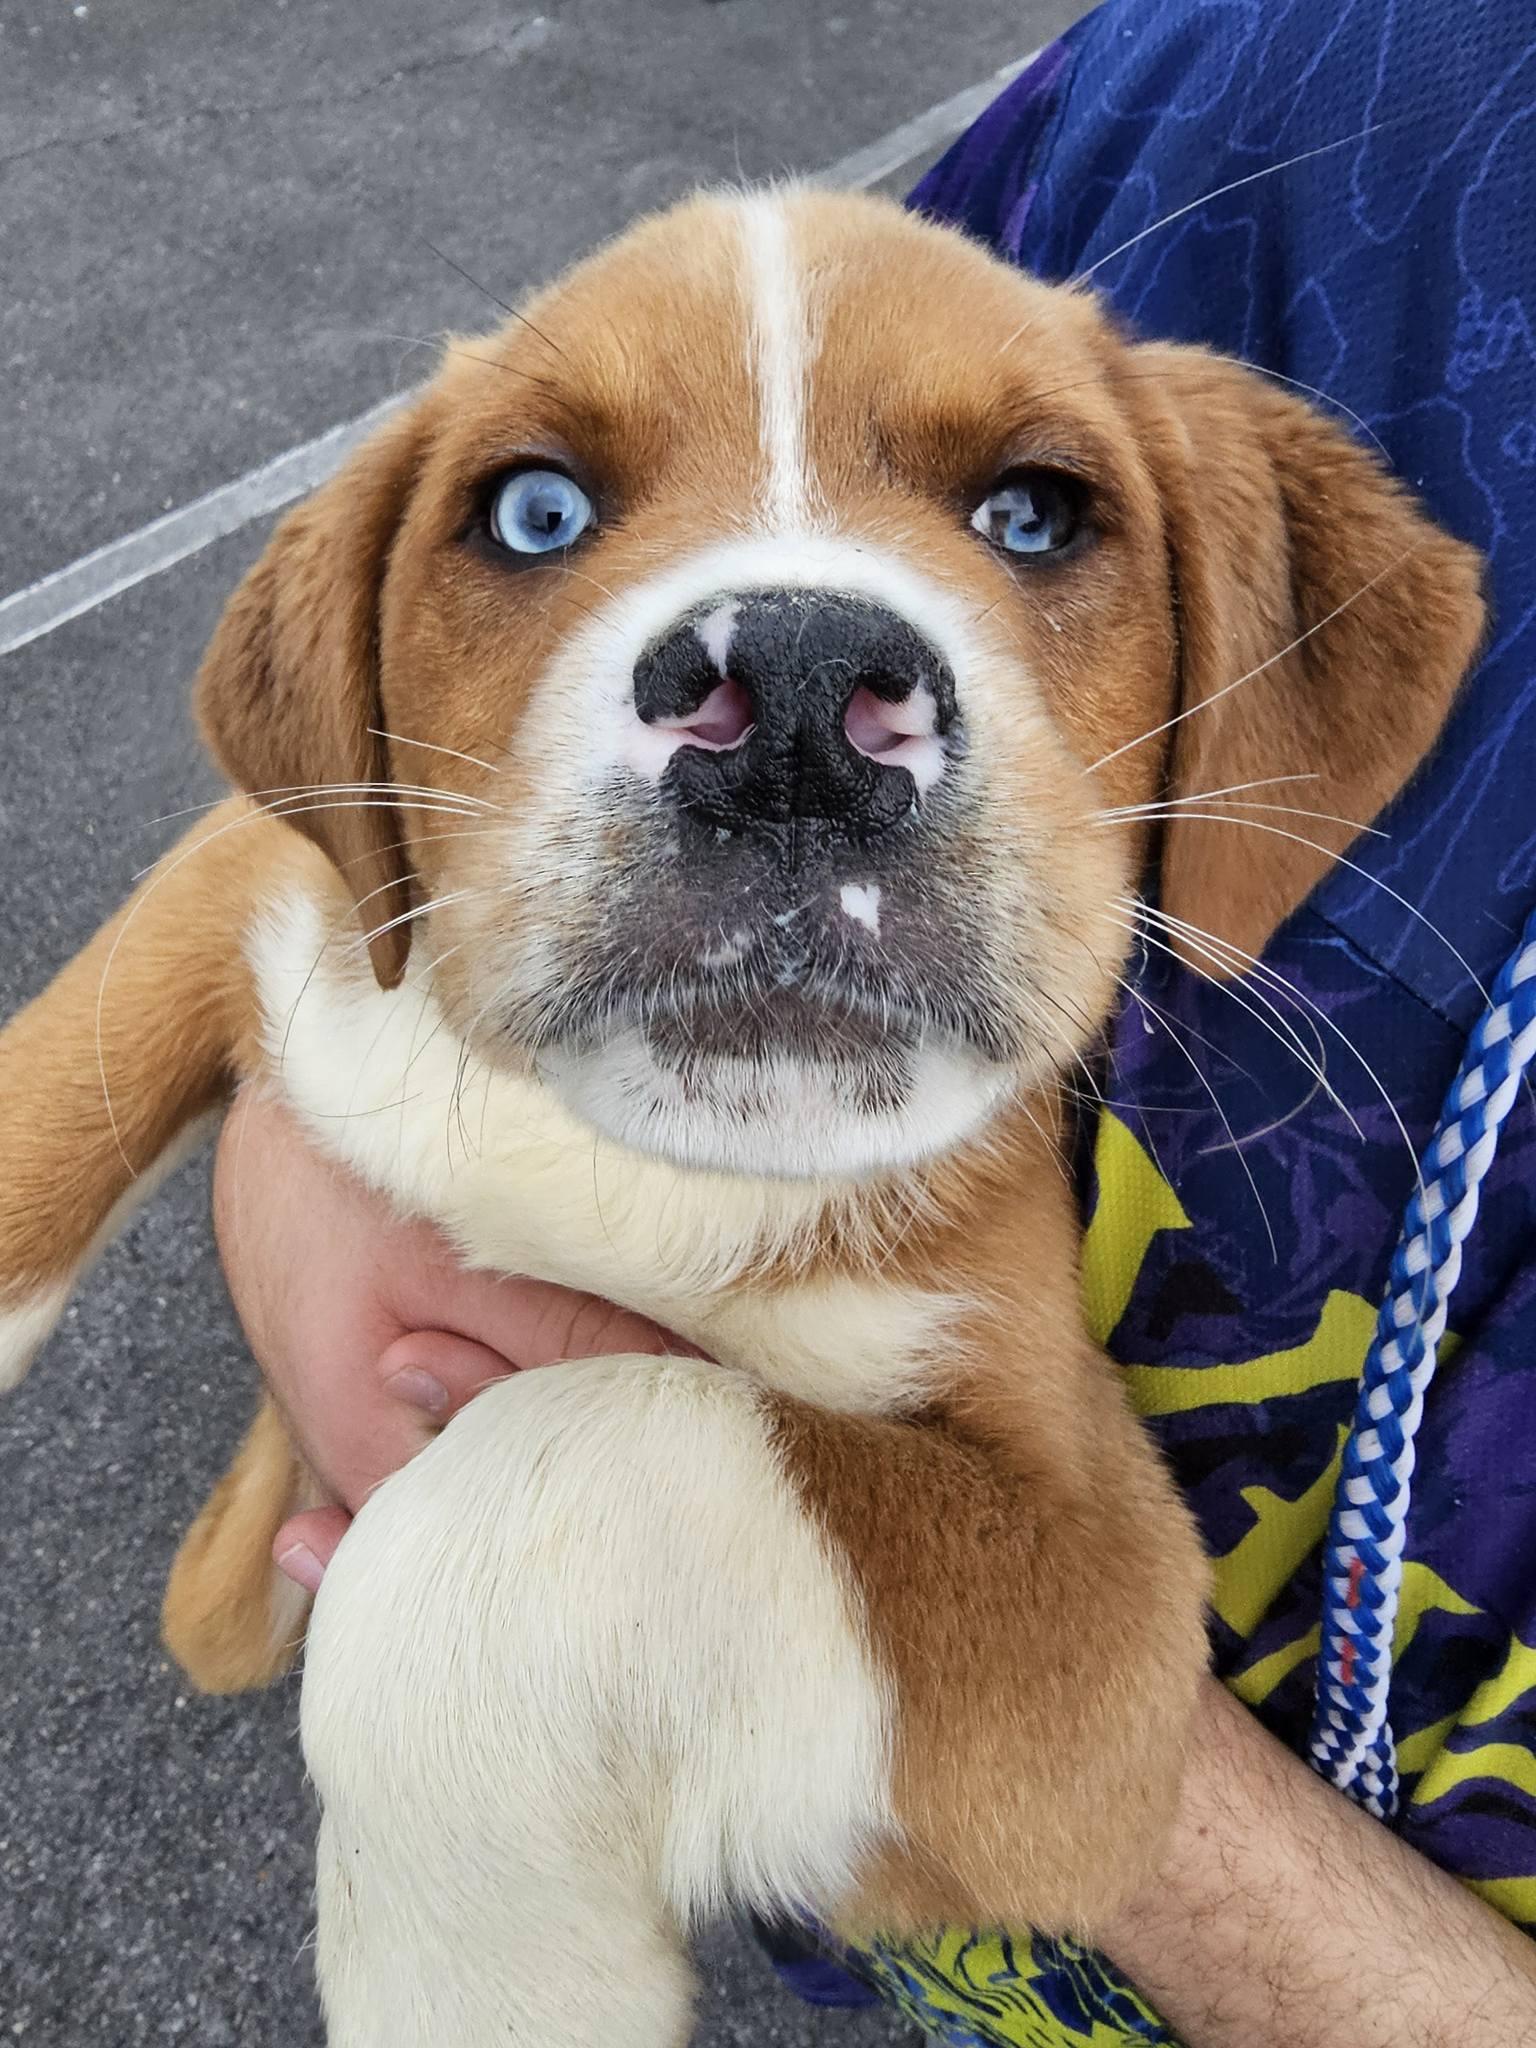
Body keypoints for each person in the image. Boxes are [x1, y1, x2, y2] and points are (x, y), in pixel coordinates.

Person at [215, 1, 1536, 2040]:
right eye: (545, 506)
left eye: (1029, 516)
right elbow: (777, 392)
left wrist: (559, 1584)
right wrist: (303, 1130)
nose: (804, 687)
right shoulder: (1298, 69)